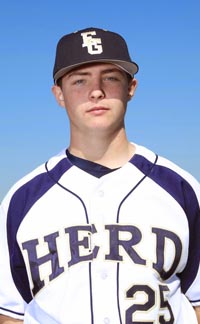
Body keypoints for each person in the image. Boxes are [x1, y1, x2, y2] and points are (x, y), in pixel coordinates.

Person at [0, 27, 200, 324]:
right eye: (79, 80)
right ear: (59, 94)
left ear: (131, 87)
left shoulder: (181, 188)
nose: (96, 91)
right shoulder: (22, 200)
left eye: (110, 77)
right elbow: (10, 313)